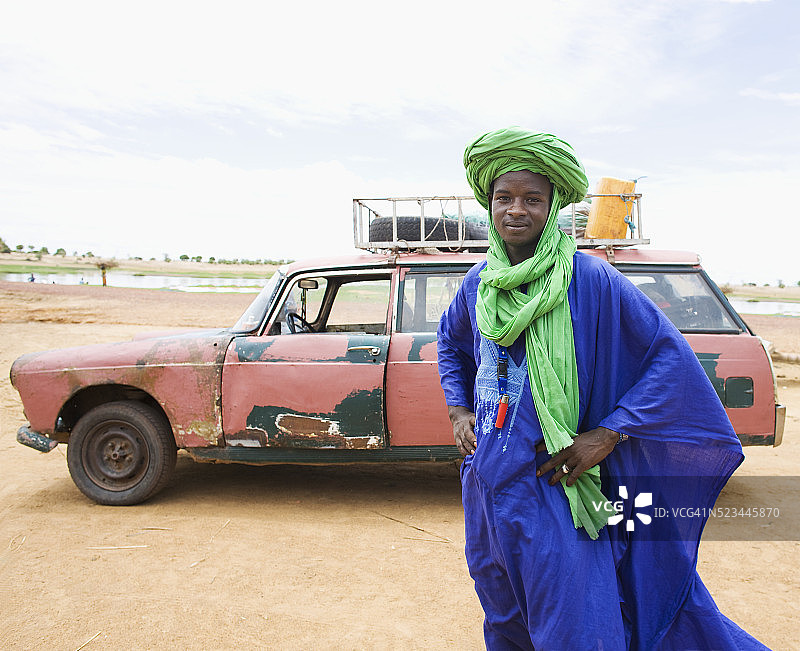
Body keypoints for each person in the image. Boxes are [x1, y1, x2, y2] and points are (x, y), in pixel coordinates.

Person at [437, 127, 767, 650]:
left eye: (532, 200)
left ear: (553, 207)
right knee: (503, 616)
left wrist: (608, 434)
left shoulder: (589, 279)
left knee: (576, 625)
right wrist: (458, 410)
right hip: (489, 486)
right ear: (489, 204)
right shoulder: (479, 283)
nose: (515, 211)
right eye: (504, 198)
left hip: (560, 486)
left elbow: (668, 360)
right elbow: (451, 344)